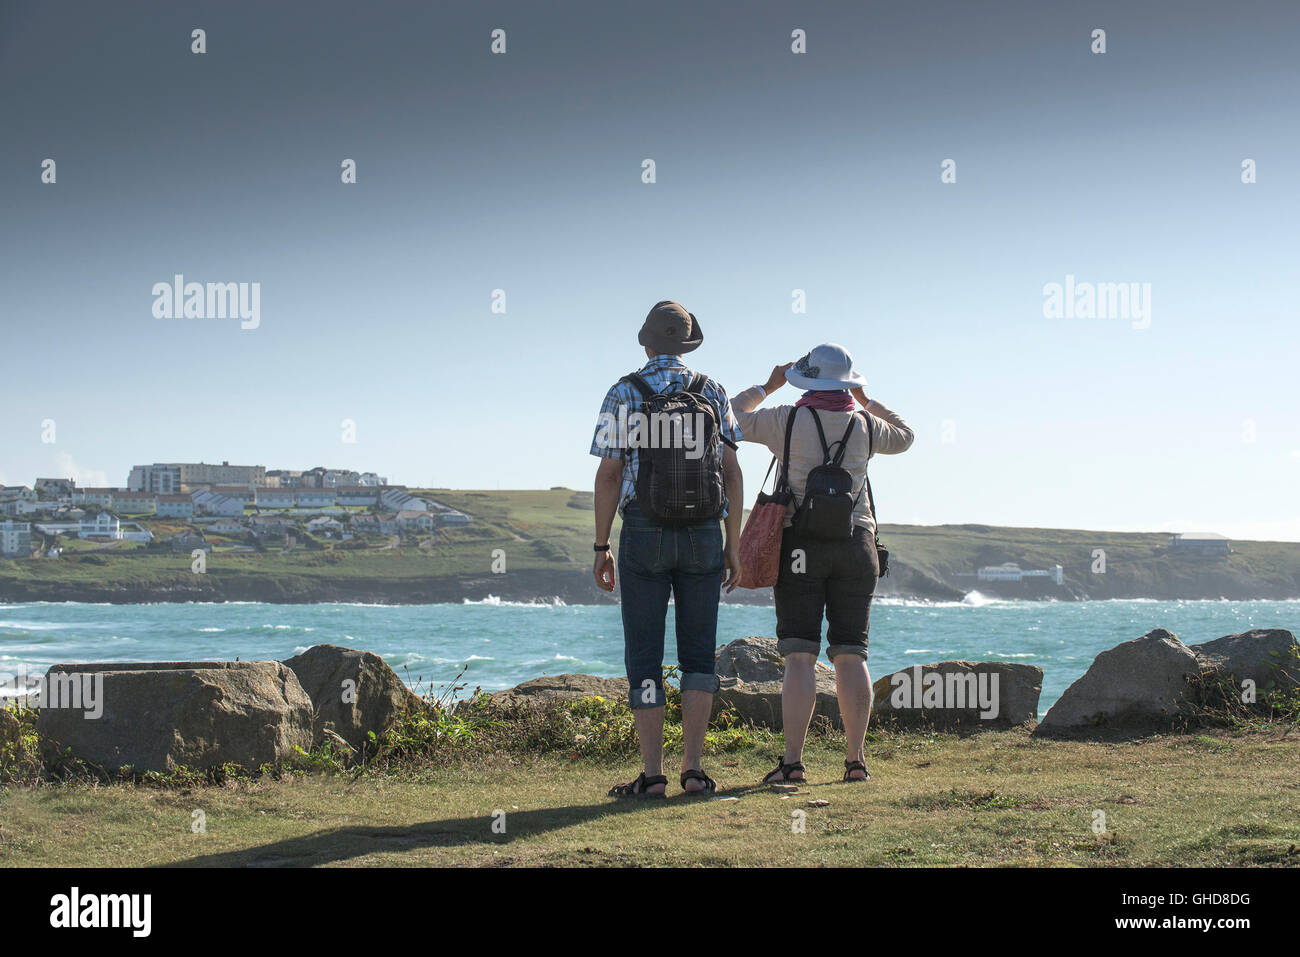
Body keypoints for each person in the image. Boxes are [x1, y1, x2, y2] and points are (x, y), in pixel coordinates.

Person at [730, 343, 913, 783]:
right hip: (857, 545)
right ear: (849, 382)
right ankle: (855, 763)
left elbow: (729, 416)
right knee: (852, 655)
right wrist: (867, 400)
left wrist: (768, 385)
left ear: (806, 380)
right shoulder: (867, 425)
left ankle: (792, 764)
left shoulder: (785, 419)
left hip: (800, 547)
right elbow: (906, 435)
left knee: (799, 657)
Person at [590, 300, 745, 797]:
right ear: (687, 344)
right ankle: (694, 771)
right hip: (703, 533)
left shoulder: (625, 391)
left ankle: (653, 775)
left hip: (644, 531)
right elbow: (732, 470)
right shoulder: (712, 391)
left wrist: (601, 545)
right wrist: (732, 544)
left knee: (645, 656)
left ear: (646, 342)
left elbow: (610, 472)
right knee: (699, 656)